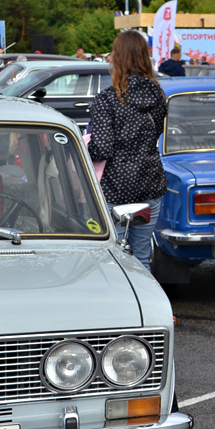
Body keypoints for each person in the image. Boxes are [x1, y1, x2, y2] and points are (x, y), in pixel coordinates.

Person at [86, 31, 168, 271]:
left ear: (118, 58)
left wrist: (85, 146)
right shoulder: (158, 95)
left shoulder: (108, 99)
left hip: (115, 188)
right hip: (149, 184)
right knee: (142, 257)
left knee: (113, 259)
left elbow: (101, 149)